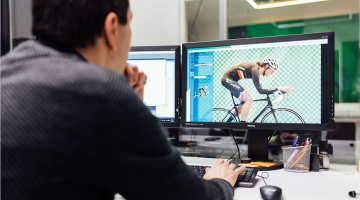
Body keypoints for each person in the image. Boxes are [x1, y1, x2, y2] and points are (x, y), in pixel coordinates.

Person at [1, 0, 246, 200]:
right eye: (129, 23)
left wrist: (128, 102)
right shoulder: (100, 94)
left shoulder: (7, 69)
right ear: (111, 29)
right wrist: (220, 183)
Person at [221, 56, 292, 123]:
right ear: (267, 66)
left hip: (232, 80)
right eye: (272, 71)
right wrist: (279, 88)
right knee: (249, 99)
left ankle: (227, 123)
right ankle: (243, 126)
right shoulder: (254, 69)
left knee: (243, 104)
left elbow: (262, 90)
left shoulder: (256, 71)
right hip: (227, 79)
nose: (272, 73)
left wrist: (278, 90)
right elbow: (260, 91)